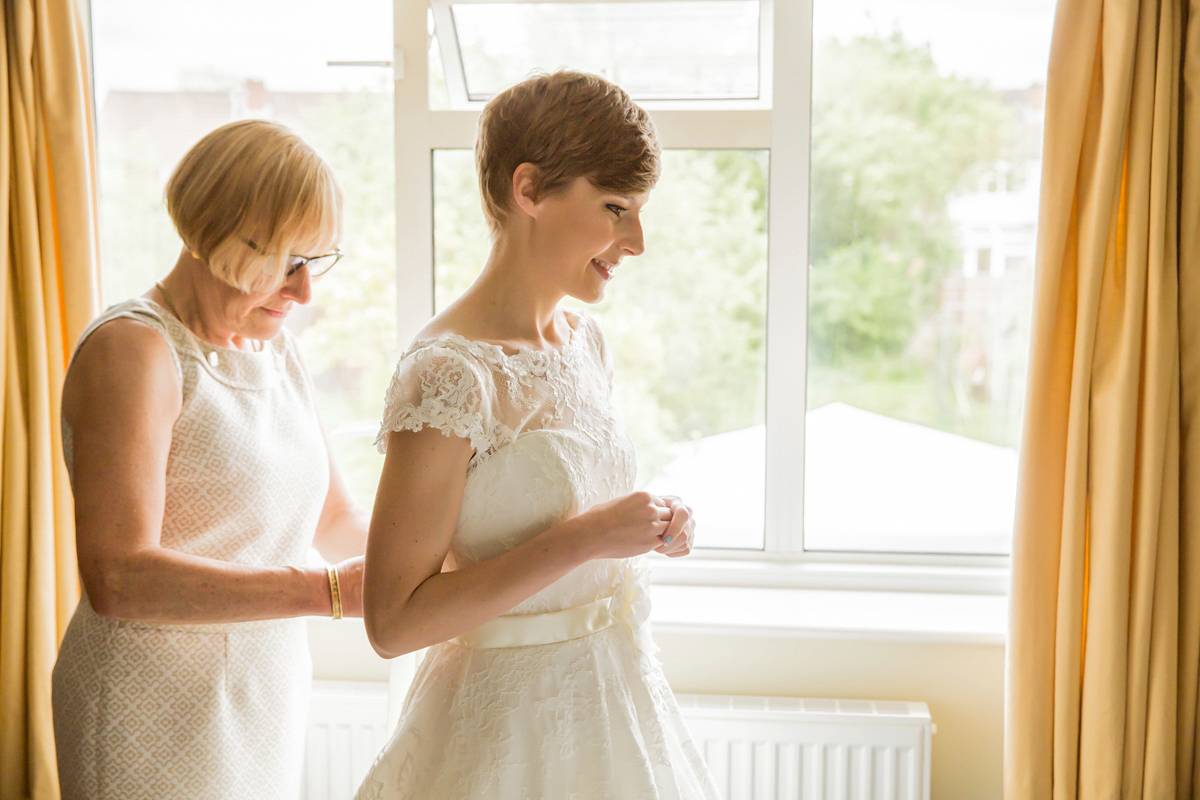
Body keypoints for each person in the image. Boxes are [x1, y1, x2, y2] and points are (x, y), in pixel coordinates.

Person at [355, 71, 720, 799]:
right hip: (503, 736)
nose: (636, 240)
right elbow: (392, 623)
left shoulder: (587, 343)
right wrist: (587, 538)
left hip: (616, 711)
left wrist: (650, 523)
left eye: (639, 211)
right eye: (615, 207)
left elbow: (571, 496)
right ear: (528, 191)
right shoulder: (448, 373)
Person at [52, 119, 368, 800]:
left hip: (261, 691)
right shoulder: (134, 350)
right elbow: (118, 577)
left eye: (318, 261)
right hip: (148, 706)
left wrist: (457, 561)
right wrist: (327, 593)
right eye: (288, 262)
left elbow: (336, 518)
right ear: (216, 233)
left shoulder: (278, 350)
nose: (304, 291)